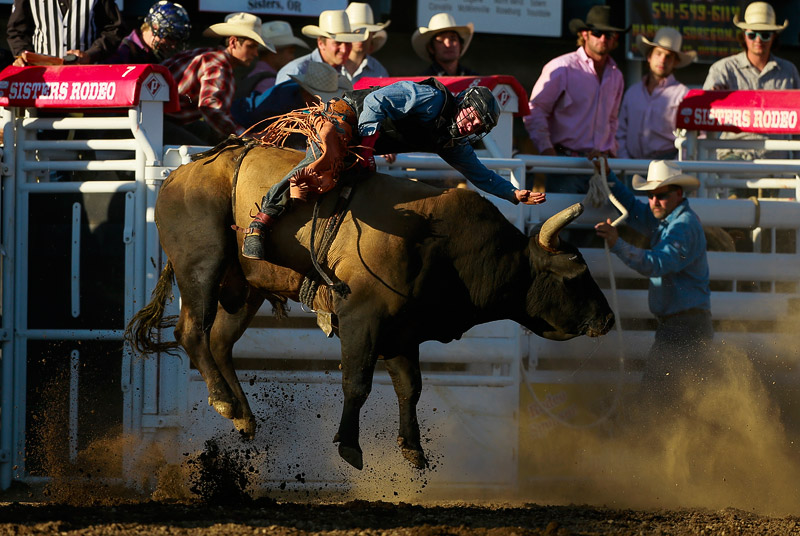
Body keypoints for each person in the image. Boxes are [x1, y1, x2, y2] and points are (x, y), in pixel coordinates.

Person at [240, 80, 546, 259]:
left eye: (477, 126)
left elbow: (479, 174)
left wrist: (513, 193)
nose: (470, 125)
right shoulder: (433, 98)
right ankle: (261, 222)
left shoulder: (453, 140)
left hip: (365, 149)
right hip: (349, 121)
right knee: (321, 164)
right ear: (463, 104)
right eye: (471, 116)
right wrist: (369, 150)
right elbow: (375, 101)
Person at [594, 158, 713, 408]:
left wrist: (617, 244)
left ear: (678, 194)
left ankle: (656, 443)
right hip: (682, 326)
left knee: (658, 399)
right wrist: (610, 177)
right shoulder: (666, 218)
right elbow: (634, 209)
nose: (654, 202)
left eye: (661, 195)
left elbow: (658, 264)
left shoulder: (683, 226)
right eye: (650, 195)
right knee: (675, 399)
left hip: (684, 328)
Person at [523, 5, 628, 194]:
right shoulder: (562, 67)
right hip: (566, 164)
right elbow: (535, 109)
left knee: (601, 223)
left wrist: (612, 153)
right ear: (585, 34)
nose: (603, 38)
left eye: (610, 34)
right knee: (566, 222)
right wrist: (548, 153)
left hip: (601, 166)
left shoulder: (616, 75)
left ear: (615, 39)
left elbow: (612, 120)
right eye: (598, 32)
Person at [703, 1, 800, 161]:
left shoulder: (789, 71)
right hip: (733, 158)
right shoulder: (723, 69)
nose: (758, 40)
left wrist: (797, 165)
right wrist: (713, 97)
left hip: (776, 163)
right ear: (744, 34)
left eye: (765, 34)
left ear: (774, 36)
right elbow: (705, 110)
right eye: (752, 34)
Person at [162, 12, 272, 146]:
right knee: (205, 155)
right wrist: (245, 136)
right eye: (251, 46)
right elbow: (210, 108)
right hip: (163, 122)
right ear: (233, 42)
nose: (255, 53)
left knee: (206, 133)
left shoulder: (203, 53)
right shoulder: (219, 65)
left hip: (158, 119)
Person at [617, 27, 696, 160]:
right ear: (649, 56)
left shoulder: (682, 94)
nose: (662, 60)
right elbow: (620, 131)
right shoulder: (633, 92)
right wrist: (626, 161)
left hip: (667, 164)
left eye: (668, 56)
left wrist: (676, 165)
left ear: (675, 62)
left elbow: (692, 137)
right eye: (658, 53)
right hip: (632, 164)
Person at [233, 61, 353, 134]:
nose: (323, 106)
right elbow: (262, 131)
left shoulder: (301, 99)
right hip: (240, 120)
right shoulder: (280, 103)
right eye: (319, 100)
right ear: (307, 94)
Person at [7, 0, 124, 65]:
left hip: (85, 81)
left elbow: (114, 29)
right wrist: (25, 56)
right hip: (42, 80)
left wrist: (91, 54)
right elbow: (16, 31)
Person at [275, 10, 367, 86]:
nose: (344, 49)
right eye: (337, 43)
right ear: (321, 43)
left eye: (348, 43)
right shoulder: (297, 71)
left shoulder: (342, 72)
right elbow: (280, 105)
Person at [236, 20, 310, 100]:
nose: (292, 57)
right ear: (274, 52)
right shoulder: (269, 82)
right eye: (290, 52)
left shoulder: (254, 75)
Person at [106, 1, 191, 64]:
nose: (173, 46)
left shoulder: (152, 55)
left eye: (176, 41)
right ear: (155, 26)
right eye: (170, 37)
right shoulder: (123, 51)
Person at [412, 13, 478, 76]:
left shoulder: (474, 79)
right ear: (431, 48)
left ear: (460, 45)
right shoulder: (423, 83)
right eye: (440, 40)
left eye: (453, 39)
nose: (448, 45)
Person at [344, 2, 389, 83]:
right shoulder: (332, 65)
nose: (361, 37)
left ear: (372, 35)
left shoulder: (379, 71)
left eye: (365, 33)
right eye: (356, 32)